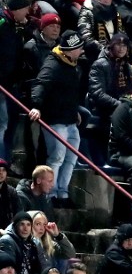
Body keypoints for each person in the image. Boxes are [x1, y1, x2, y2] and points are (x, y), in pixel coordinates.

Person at [28, 30, 83, 205]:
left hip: (70, 120)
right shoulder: (53, 64)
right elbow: (40, 84)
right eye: (78, 48)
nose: (81, 51)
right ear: (69, 49)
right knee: (57, 156)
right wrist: (36, 105)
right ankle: (50, 195)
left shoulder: (73, 64)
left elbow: (71, 93)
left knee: (71, 157)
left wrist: (75, 111)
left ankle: (63, 193)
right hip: (55, 120)